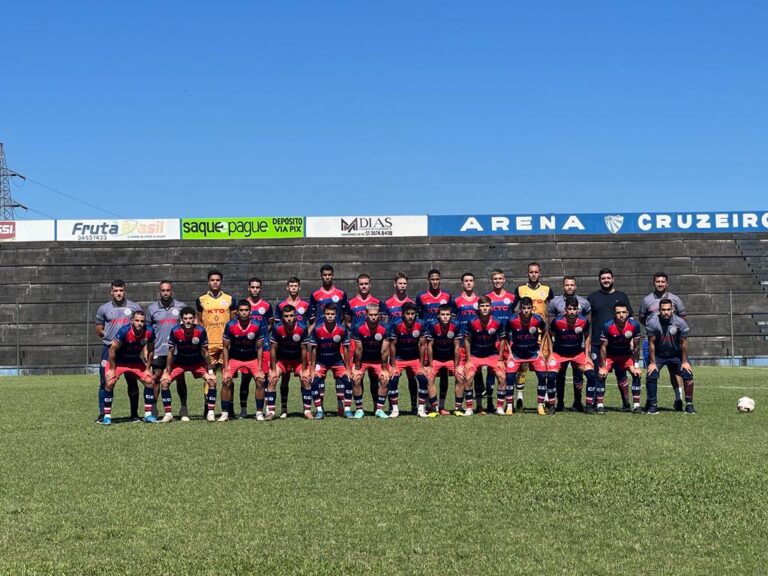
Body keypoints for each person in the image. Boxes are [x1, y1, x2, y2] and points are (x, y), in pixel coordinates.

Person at [638, 272, 688, 411]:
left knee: (676, 372)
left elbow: (682, 318)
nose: (660, 284)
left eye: (662, 282)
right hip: (653, 341)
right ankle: (651, 402)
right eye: (657, 282)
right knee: (651, 371)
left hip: (671, 341)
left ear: (667, 283)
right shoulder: (647, 300)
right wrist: (653, 328)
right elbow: (642, 318)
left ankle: (678, 399)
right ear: (654, 283)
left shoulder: (675, 299)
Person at [95, 279, 143, 422]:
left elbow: (141, 326)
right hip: (110, 349)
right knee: (106, 382)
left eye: (121, 290)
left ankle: (134, 414)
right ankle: (103, 414)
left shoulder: (134, 307)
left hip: (129, 350)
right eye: (116, 291)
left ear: (125, 291)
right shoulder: (103, 309)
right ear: (111, 292)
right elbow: (98, 329)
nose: (119, 293)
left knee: (132, 381)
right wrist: (110, 337)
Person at [159, 307, 218, 422]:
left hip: (197, 363)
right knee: (164, 382)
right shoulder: (175, 331)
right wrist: (167, 371)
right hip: (180, 363)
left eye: (190, 318)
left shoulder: (200, 331)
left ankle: (210, 413)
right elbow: (170, 352)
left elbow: (205, 352)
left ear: (194, 319)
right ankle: (168, 414)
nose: (188, 321)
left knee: (212, 381)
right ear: (181, 319)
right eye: (185, 318)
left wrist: (210, 370)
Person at [587, 269, 633, 407]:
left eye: (608, 278)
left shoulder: (622, 296)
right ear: (599, 280)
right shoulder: (592, 297)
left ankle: (626, 403)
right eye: (603, 278)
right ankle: (597, 402)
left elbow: (629, 319)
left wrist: (630, 339)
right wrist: (588, 342)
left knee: (621, 374)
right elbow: (587, 321)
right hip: (597, 342)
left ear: (613, 279)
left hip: (619, 343)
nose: (606, 280)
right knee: (599, 373)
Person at [512, 263, 554, 410]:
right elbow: (513, 309)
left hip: (542, 335)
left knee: (544, 366)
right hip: (524, 334)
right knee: (522, 366)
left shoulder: (547, 290)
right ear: (527, 273)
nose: (534, 274)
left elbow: (553, 309)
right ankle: (519, 396)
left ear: (540, 273)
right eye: (531, 272)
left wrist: (551, 330)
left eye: (536, 272)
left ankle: (547, 397)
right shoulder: (520, 290)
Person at [103, 310, 156, 425]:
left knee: (149, 381)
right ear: (132, 321)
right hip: (119, 361)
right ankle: (107, 416)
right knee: (110, 383)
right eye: (137, 320)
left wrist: (147, 368)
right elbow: (112, 350)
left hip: (135, 361)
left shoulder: (150, 331)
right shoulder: (124, 331)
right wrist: (112, 369)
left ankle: (148, 415)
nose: (139, 323)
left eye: (142, 321)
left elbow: (151, 350)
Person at [546, 276, 591, 411]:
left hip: (578, 347)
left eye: (572, 285)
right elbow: (551, 326)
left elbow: (587, 325)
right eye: (567, 285)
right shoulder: (555, 302)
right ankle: (559, 403)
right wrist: (552, 351)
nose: (569, 287)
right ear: (563, 286)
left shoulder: (584, 302)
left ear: (575, 286)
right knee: (559, 376)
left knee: (579, 376)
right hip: (561, 347)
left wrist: (586, 352)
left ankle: (578, 402)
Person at [501, 297, 551, 415]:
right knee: (509, 379)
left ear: (532, 308)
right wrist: (509, 353)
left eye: (529, 308)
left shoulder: (537, 319)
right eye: (524, 308)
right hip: (516, 355)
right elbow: (505, 335)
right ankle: (509, 406)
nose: (526, 311)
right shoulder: (512, 319)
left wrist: (541, 350)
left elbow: (545, 332)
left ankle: (540, 405)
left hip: (534, 354)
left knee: (542, 377)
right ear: (520, 309)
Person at [645, 298, 696, 414]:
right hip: (659, 355)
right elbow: (651, 344)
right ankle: (652, 404)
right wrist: (652, 363)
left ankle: (689, 405)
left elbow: (684, 343)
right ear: (659, 310)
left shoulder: (680, 322)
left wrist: (684, 361)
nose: (666, 312)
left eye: (668, 309)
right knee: (651, 374)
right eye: (663, 310)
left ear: (672, 309)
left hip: (676, 355)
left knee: (687, 373)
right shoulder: (653, 323)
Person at [195, 269, 236, 414]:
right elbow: (199, 321)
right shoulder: (201, 300)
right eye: (212, 280)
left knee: (228, 377)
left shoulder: (230, 299)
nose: (215, 282)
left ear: (221, 282)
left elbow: (232, 322)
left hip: (226, 345)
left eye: (217, 280)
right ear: (208, 282)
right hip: (209, 345)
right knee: (209, 377)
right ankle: (208, 407)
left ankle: (229, 407)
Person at [147, 281, 188, 420]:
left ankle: (183, 409)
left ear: (172, 291)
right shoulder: (152, 309)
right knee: (156, 378)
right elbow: (148, 332)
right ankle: (153, 409)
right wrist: (147, 351)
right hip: (159, 349)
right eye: (163, 290)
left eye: (168, 290)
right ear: (159, 292)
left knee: (180, 378)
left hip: (177, 350)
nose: (166, 293)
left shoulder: (181, 306)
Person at [221, 300, 265, 421]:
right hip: (235, 358)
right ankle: (224, 413)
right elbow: (225, 347)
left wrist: (260, 368)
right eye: (241, 310)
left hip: (251, 358)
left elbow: (260, 347)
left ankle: (259, 413)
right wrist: (226, 368)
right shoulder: (230, 325)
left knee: (260, 380)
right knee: (226, 381)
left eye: (246, 310)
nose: (244, 313)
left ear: (250, 312)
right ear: (237, 312)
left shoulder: (257, 325)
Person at [307, 303, 352, 419]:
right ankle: (319, 410)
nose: (330, 316)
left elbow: (346, 350)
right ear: (324, 315)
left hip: (337, 361)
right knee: (314, 381)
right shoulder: (317, 330)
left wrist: (348, 369)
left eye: (332, 314)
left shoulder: (341, 330)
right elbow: (313, 351)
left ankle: (346, 409)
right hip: (321, 362)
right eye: (328, 314)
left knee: (348, 380)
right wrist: (312, 370)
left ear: (336, 315)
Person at [463, 296, 506, 415]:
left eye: (487, 306)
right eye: (482, 306)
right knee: (469, 376)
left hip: (492, 355)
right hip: (475, 355)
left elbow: (503, 339)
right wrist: (468, 359)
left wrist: (500, 359)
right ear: (478, 308)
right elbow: (467, 340)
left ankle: (499, 407)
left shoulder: (497, 321)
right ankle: (469, 408)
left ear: (491, 307)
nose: (484, 308)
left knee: (501, 376)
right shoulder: (472, 321)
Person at [596, 302, 642, 414]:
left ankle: (636, 405)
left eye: (623, 312)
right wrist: (603, 366)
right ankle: (600, 405)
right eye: (618, 312)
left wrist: (636, 366)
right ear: (614, 314)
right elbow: (603, 348)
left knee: (636, 373)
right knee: (601, 374)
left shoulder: (634, 325)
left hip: (626, 356)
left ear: (627, 313)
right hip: (610, 356)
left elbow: (636, 347)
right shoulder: (608, 325)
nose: (621, 315)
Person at [275, 276, 311, 416]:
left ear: (299, 287)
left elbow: (312, 322)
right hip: (285, 348)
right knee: (284, 378)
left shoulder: (305, 305)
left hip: (299, 345)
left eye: (296, 285)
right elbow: (278, 326)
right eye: (291, 286)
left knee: (305, 377)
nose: (293, 288)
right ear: (287, 288)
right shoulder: (281, 305)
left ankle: (306, 409)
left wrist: (305, 334)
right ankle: (284, 409)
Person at [385, 302, 428, 419]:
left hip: (414, 358)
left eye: (413, 313)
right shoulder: (396, 324)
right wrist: (393, 366)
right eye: (408, 314)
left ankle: (420, 408)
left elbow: (422, 345)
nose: (410, 316)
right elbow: (392, 346)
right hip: (399, 358)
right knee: (393, 379)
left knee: (423, 379)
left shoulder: (421, 324)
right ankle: (394, 409)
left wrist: (422, 365)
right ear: (403, 314)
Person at [269, 304, 312, 419]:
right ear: (282, 317)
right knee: (273, 379)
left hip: (297, 360)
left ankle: (307, 410)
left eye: (291, 316)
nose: (289, 318)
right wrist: (273, 369)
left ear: (296, 316)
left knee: (305, 379)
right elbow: (273, 348)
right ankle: (272, 411)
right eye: (286, 316)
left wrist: (304, 369)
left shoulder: (302, 327)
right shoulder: (277, 328)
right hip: (282, 360)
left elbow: (304, 350)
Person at [239, 277, 274, 418]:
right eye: (252, 287)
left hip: (264, 346)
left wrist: (262, 334)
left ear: (261, 288)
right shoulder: (243, 305)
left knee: (263, 378)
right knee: (245, 379)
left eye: (257, 287)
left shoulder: (266, 306)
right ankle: (243, 409)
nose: (255, 290)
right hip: (247, 347)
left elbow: (270, 323)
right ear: (248, 288)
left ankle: (263, 408)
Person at [384, 272, 418, 411]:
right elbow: (386, 324)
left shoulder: (411, 303)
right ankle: (393, 407)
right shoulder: (387, 303)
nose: (402, 286)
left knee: (412, 378)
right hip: (394, 345)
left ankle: (414, 406)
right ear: (395, 284)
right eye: (400, 283)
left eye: (404, 283)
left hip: (409, 346)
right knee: (392, 377)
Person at [350, 303, 390, 419]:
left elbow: (384, 351)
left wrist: (384, 369)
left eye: (376, 315)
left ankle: (379, 409)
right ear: (366, 315)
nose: (373, 317)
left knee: (385, 379)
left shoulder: (385, 328)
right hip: (362, 360)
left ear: (379, 315)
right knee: (356, 379)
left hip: (378, 360)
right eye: (371, 315)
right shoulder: (358, 327)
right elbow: (358, 349)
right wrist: (357, 368)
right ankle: (359, 410)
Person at [484, 269, 516, 413]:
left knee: (509, 370)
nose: (497, 281)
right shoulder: (487, 297)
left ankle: (509, 403)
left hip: (508, 339)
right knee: (491, 371)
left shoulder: (512, 297)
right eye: (495, 279)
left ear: (504, 280)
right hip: (492, 339)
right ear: (492, 281)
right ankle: (490, 402)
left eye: (500, 278)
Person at [425, 304, 463, 417]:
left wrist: (456, 366)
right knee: (429, 377)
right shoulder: (432, 325)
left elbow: (457, 348)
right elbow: (429, 347)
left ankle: (458, 408)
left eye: (447, 315)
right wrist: (431, 365)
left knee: (460, 376)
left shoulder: (456, 325)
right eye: (443, 315)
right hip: (436, 359)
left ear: (451, 316)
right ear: (438, 316)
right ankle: (434, 408)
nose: (445, 317)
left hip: (450, 359)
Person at [453, 273, 479, 414]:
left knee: (477, 375)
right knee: (460, 375)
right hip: (462, 342)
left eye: (471, 280)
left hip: (477, 343)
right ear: (462, 283)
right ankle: (458, 406)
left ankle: (479, 405)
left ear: (474, 283)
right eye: (466, 281)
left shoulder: (479, 300)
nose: (468, 283)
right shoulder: (456, 301)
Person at [308, 264, 349, 329]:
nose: (327, 277)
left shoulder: (341, 293)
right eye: (324, 275)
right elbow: (312, 316)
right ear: (321, 276)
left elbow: (345, 313)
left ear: (333, 276)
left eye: (329, 275)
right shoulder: (315, 294)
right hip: (320, 332)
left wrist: (338, 323)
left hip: (337, 331)